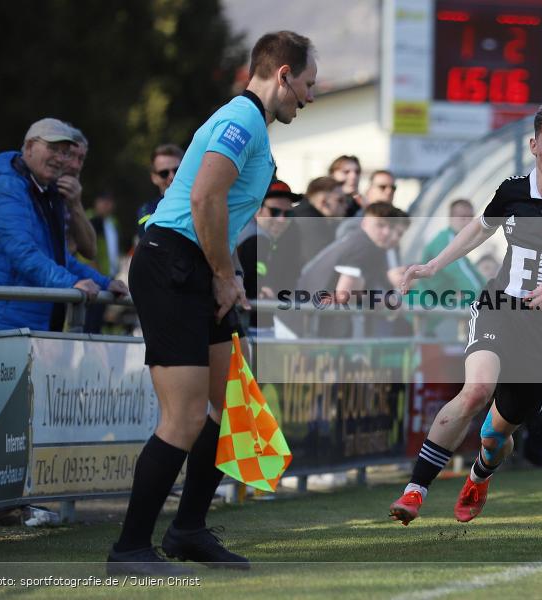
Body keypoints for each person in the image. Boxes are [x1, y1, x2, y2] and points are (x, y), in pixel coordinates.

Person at [110, 31, 317, 573]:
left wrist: (223, 273)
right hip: (172, 264)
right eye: (309, 85)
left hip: (195, 267)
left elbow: (215, 206)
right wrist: (225, 275)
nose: (311, 98)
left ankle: (188, 532)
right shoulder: (242, 118)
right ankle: (129, 548)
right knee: (182, 419)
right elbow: (203, 196)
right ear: (284, 75)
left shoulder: (250, 125)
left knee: (237, 415)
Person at [389, 102, 542, 525]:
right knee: (476, 391)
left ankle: (479, 476)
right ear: (534, 144)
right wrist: (433, 265)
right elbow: (480, 227)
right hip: (500, 307)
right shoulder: (513, 189)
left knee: (495, 435)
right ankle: (415, 490)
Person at [0, 118, 126, 332]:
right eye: (53, 148)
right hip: (4, 322)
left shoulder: (46, 192)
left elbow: (58, 257)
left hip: (34, 320)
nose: (60, 158)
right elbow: (22, 253)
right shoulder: (7, 187)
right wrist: (71, 283)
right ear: (29, 147)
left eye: (65, 152)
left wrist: (104, 283)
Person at [294, 203, 408, 337]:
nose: (387, 233)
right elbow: (345, 295)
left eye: (390, 227)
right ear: (365, 222)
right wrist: (387, 301)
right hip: (299, 323)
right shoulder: (363, 246)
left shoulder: (361, 242)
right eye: (380, 225)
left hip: (304, 318)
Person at [235, 179, 302, 329]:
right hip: (243, 326)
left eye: (288, 213)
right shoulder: (256, 238)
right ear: (257, 209)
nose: (282, 219)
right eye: (275, 212)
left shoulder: (250, 232)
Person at [418, 199, 484, 308]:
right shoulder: (446, 240)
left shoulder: (456, 243)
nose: (468, 222)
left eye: (471, 217)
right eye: (462, 217)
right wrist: (486, 301)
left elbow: (473, 273)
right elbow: (462, 275)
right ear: (451, 218)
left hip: (432, 311)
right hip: (419, 312)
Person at [84, 192, 121, 333]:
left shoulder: (113, 222)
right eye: (103, 201)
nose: (106, 205)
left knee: (100, 319)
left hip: (109, 277)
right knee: (90, 320)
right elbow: (86, 250)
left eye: (109, 201)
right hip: (95, 277)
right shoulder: (90, 219)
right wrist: (94, 270)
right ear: (96, 202)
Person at [59, 127, 97, 260]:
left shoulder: (71, 198)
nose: (75, 165)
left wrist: (75, 204)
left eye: (81, 158)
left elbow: (90, 250)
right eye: (70, 155)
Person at [292, 175, 345, 264]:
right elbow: (320, 262)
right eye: (340, 200)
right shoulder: (311, 222)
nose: (346, 205)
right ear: (323, 202)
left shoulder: (305, 214)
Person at [136, 144, 184, 238]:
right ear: (154, 178)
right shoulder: (146, 210)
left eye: (177, 170)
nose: (172, 177)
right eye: (164, 173)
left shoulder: (200, 200)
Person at [335, 169, 397, 239]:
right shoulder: (353, 225)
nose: (389, 192)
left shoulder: (398, 223)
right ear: (369, 190)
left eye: (393, 188)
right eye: (382, 187)